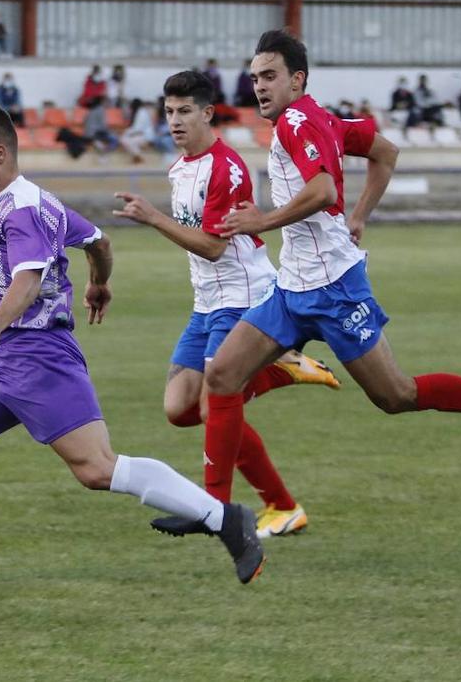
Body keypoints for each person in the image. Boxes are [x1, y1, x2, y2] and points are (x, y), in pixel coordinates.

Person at [0, 100, 266, 619]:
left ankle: (225, 519)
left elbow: (28, 278)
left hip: (38, 361)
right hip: (7, 366)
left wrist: (2, 319)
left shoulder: (23, 209)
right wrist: (99, 282)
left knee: (98, 469)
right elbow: (98, 241)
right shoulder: (40, 201)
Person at [196, 30, 461, 507]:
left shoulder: (297, 122)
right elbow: (386, 152)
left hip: (334, 290)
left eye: (270, 76)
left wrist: (264, 219)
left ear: (297, 79)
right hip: (291, 287)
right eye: (255, 78)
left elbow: (324, 190)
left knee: (397, 396)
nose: (259, 86)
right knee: (222, 377)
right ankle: (215, 511)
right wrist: (360, 215)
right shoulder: (320, 119)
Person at [113, 71, 341, 540]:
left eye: (184, 112)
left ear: (207, 113)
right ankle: (279, 372)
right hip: (206, 303)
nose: (174, 121)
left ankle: (224, 508)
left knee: (213, 406)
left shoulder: (226, 167)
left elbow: (215, 248)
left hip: (244, 296)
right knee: (180, 409)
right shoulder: (178, 168)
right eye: (168, 112)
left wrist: (153, 218)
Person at [118, 99, 157, 164]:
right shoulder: (139, 112)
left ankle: (138, 157)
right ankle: (137, 156)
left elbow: (138, 129)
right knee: (123, 139)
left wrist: (125, 132)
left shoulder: (142, 113)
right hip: (140, 134)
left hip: (145, 136)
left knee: (126, 140)